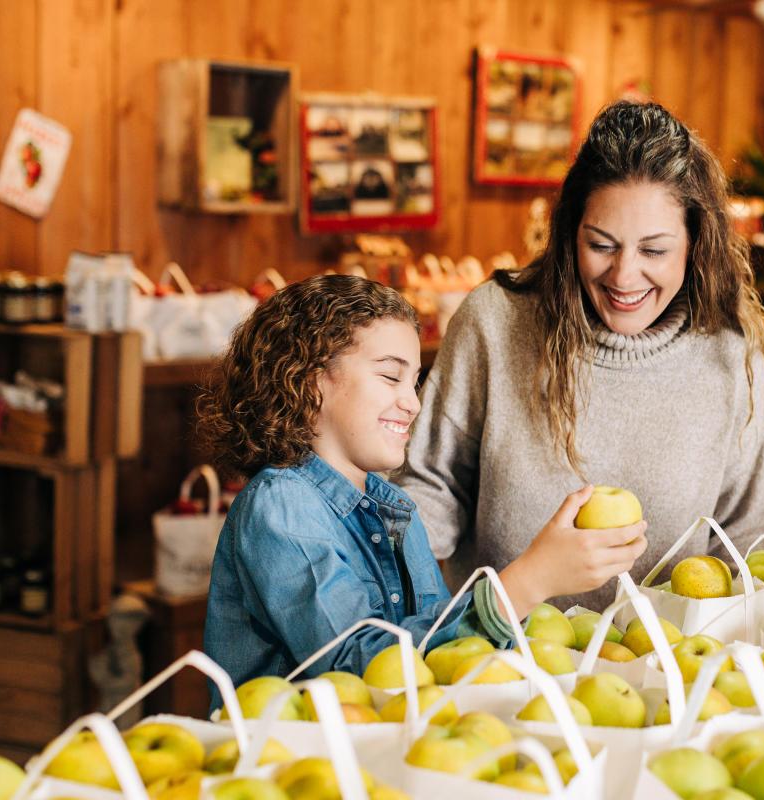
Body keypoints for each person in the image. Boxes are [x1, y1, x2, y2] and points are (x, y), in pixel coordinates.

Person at [398, 101, 764, 611]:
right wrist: (416, 618)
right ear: (570, 234)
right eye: (601, 245)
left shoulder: (731, 352)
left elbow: (753, 540)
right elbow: (428, 489)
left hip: (670, 673)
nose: (624, 276)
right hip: (502, 663)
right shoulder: (496, 323)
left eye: (654, 251)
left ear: (697, 243)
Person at [197, 275, 647, 701]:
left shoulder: (398, 511)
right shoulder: (281, 507)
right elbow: (358, 670)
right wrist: (528, 582)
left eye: (415, 381)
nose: (412, 403)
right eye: (391, 376)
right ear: (310, 379)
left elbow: (436, 659)